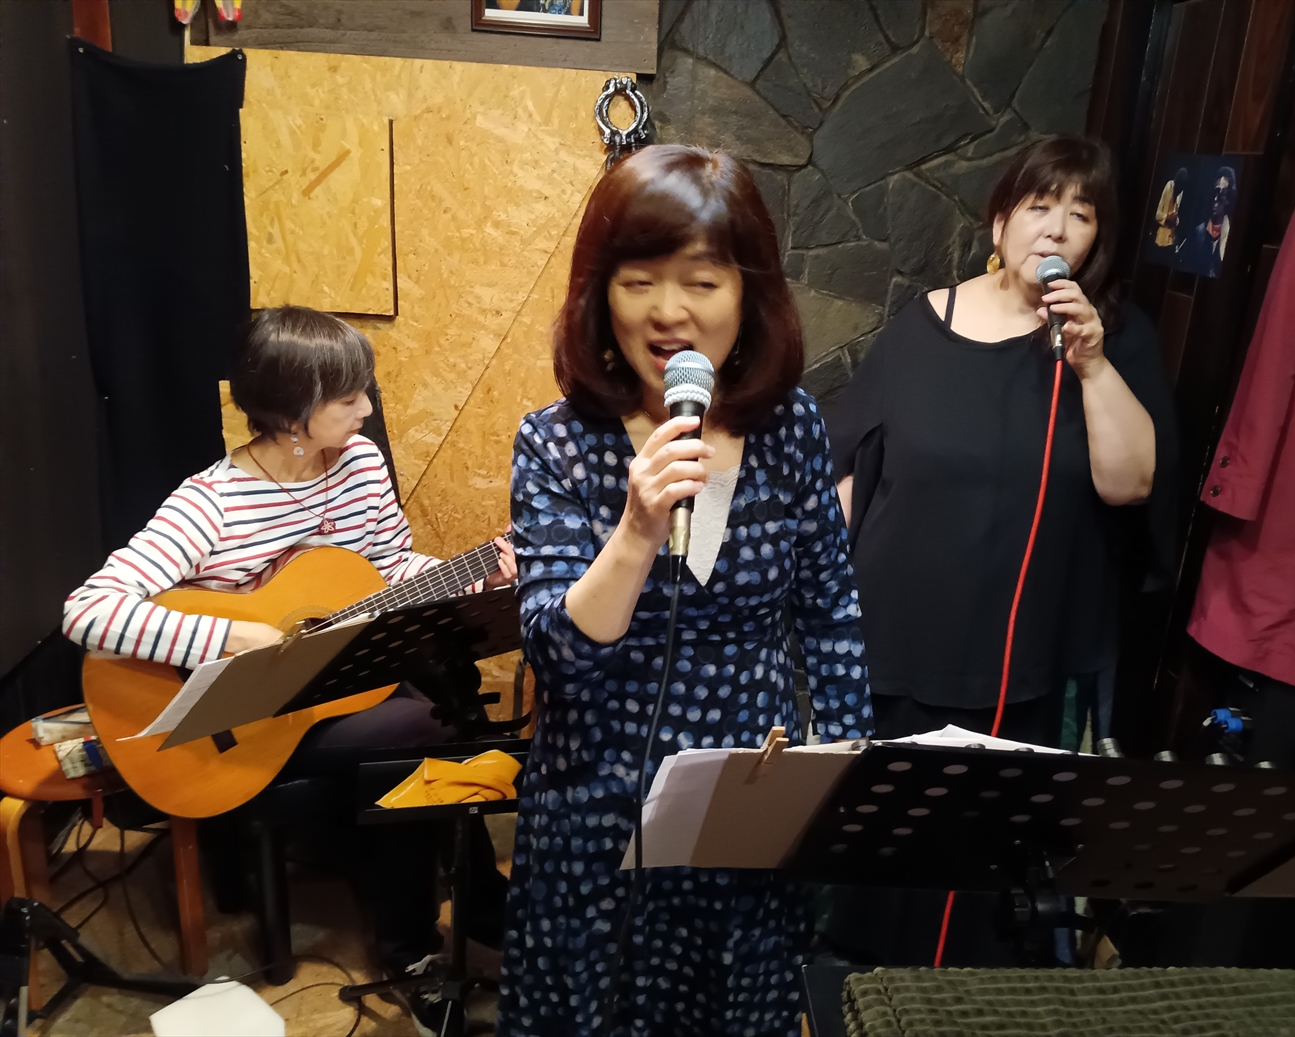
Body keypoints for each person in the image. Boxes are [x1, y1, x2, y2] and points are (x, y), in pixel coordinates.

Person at [496, 144, 872, 1036]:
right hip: (597, 818)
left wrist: (835, 780)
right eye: (639, 282)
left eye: (702, 281)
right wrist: (636, 528)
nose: (669, 311)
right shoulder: (556, 442)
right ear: (601, 296)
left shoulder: (792, 428)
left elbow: (831, 614)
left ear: (749, 297)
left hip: (743, 814)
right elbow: (558, 659)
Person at [63, 306, 516, 1036]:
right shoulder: (210, 504)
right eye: (350, 398)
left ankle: (466, 909)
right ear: (291, 413)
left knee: (438, 708)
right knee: (425, 731)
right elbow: (87, 610)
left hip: (340, 685)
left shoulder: (359, 464)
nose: (367, 411)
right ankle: (421, 947)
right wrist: (228, 635)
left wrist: (476, 571)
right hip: (243, 721)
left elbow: (389, 568)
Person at [820, 136, 1175, 966]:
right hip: (901, 646)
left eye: (1081, 214)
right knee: (882, 860)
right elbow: (848, 468)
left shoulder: (1114, 338)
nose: (1056, 228)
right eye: (1039, 205)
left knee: (983, 873)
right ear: (1000, 219)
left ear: (1099, 238)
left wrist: (1091, 366)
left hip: (1026, 662)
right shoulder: (921, 324)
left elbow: (1131, 484)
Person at [1189, 166, 1236, 277]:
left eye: (1221, 195)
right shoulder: (1199, 232)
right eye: (1214, 193)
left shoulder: (1232, 235)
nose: (1215, 199)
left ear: (1228, 200)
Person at [1152, 166, 1189, 250]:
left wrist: (1176, 220)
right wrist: (1167, 218)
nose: (1180, 191)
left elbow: (1176, 215)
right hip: (1160, 240)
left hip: (1171, 241)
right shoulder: (1169, 186)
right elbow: (1157, 214)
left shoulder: (1180, 192)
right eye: (1180, 188)